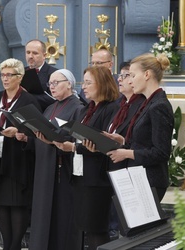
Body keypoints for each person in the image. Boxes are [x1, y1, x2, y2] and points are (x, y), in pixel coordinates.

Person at [0, 58, 40, 250]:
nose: (5, 78)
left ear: (19, 78)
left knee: (17, 204)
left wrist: (20, 134)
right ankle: (7, 245)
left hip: (18, 159)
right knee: (2, 204)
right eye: (3, 74)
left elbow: (36, 129)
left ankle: (15, 245)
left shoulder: (29, 100)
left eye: (9, 75)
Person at [56, 66, 120, 249]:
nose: (84, 86)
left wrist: (74, 146)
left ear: (102, 84)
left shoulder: (111, 109)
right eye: (83, 82)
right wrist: (57, 139)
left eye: (88, 82)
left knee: (96, 229)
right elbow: (77, 135)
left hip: (97, 179)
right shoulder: (87, 109)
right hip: (81, 175)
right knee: (86, 228)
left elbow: (105, 142)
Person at [106, 53, 174, 202]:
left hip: (150, 180)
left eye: (132, 75)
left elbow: (161, 153)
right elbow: (144, 142)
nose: (130, 81)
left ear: (147, 74)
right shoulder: (148, 103)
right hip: (139, 176)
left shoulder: (159, 106)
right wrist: (123, 141)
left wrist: (126, 153)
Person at [29, 69, 85, 250]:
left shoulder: (78, 108)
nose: (52, 87)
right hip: (44, 169)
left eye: (56, 83)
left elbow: (78, 140)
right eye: (50, 84)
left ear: (69, 84)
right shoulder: (49, 108)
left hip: (63, 171)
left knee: (61, 220)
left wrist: (54, 140)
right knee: (43, 217)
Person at [106, 61, 145, 239]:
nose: (120, 79)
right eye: (119, 76)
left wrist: (121, 141)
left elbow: (137, 140)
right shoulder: (120, 104)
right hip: (114, 165)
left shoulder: (141, 105)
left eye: (125, 75)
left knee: (127, 230)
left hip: (129, 169)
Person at [25, 39, 58, 111]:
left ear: (44, 55)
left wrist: (25, 96)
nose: (30, 56)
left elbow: (54, 99)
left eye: (35, 53)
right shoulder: (21, 72)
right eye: (28, 52)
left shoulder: (54, 73)